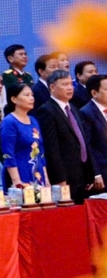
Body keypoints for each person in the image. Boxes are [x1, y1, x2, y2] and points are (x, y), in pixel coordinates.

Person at [33, 70, 95, 201]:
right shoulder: (46, 110)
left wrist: (90, 173)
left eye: (70, 84)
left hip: (82, 173)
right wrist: (60, 179)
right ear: (52, 87)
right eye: (64, 84)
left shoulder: (74, 108)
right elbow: (51, 148)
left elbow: (83, 142)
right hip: (65, 176)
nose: (70, 88)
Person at [0, 84, 47, 188]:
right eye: (26, 95)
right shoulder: (9, 122)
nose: (31, 98)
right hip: (19, 172)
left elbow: (41, 152)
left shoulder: (33, 121)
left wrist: (46, 179)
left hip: (37, 172)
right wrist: (17, 182)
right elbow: (8, 154)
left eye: (32, 95)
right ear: (14, 99)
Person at [77, 75, 107, 196]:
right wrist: (96, 173)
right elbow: (87, 146)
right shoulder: (86, 112)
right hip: (102, 171)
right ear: (94, 93)